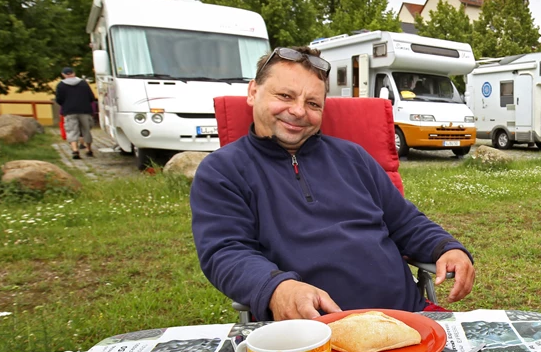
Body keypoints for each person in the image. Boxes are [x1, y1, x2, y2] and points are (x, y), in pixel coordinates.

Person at [190, 46, 475, 321]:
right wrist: (276, 288)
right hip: (313, 334)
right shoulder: (223, 170)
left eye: (313, 103)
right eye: (285, 96)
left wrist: (445, 246)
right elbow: (226, 251)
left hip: (406, 317)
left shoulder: (352, 157)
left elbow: (405, 222)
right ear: (253, 92)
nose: (299, 111)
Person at [55, 67, 96, 159]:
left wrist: (66, 104)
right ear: (74, 73)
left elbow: (59, 99)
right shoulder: (84, 83)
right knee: (86, 130)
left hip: (69, 111)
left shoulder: (60, 85)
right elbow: (91, 97)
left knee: (72, 130)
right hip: (85, 110)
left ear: (63, 74)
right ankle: (88, 149)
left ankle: (75, 150)